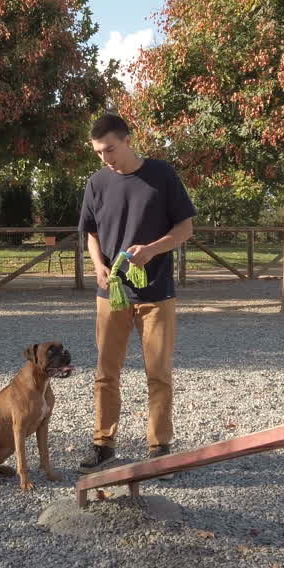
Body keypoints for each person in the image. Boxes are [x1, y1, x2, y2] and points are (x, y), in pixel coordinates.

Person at [76, 113, 196, 473]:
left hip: (157, 293)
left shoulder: (163, 175)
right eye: (98, 152)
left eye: (109, 149)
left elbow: (185, 228)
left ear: (128, 141)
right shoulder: (96, 183)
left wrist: (153, 249)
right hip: (110, 295)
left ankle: (159, 447)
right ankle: (103, 444)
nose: (105, 158)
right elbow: (91, 232)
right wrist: (96, 265)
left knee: (158, 373)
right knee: (105, 372)